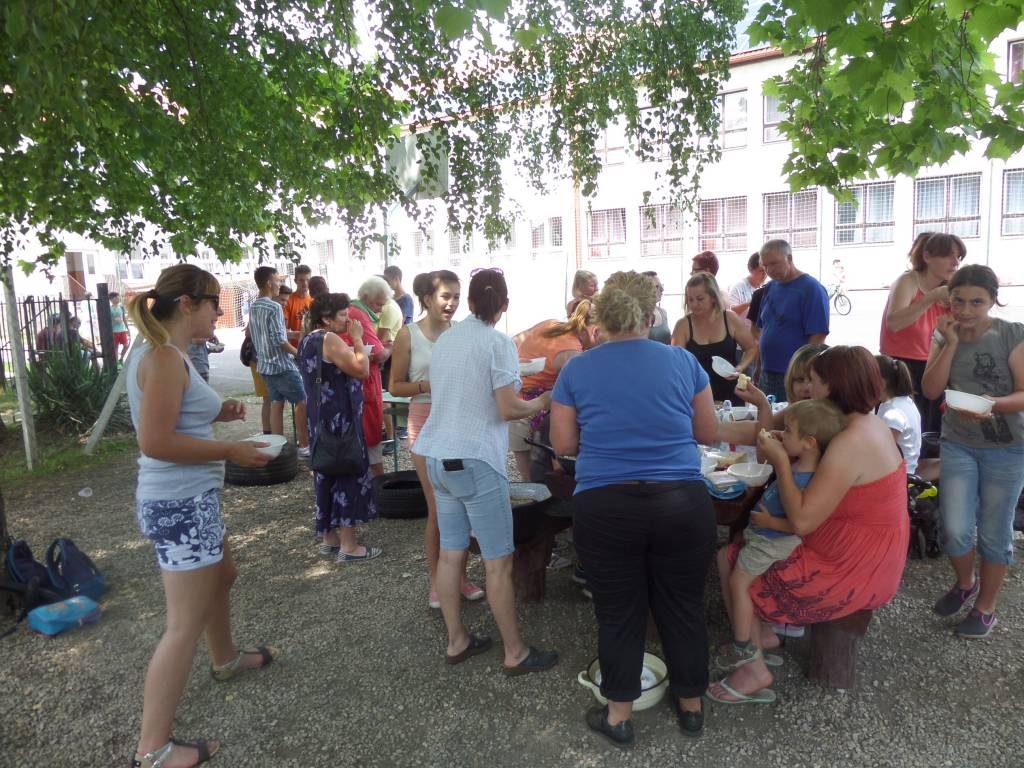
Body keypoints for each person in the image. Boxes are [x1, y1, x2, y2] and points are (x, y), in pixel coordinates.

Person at [549, 270, 717, 746]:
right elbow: (707, 432)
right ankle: (690, 705)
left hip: (605, 505)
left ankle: (619, 715)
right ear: (649, 315)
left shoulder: (577, 369)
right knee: (683, 605)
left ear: (601, 318)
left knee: (618, 610)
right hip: (681, 502)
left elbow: (563, 444)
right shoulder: (683, 361)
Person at [125, 264, 279, 768]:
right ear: (188, 304)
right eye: (215, 301)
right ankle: (154, 748)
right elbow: (155, 440)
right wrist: (231, 451)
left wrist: (218, 412)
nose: (220, 310)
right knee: (183, 625)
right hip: (180, 504)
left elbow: (173, 415)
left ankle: (226, 658)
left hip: (192, 500)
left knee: (224, 574)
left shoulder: (167, 353)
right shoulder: (164, 357)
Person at [710, 347, 908, 704]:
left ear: (833, 386)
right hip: (861, 548)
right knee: (739, 548)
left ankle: (754, 668)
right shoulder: (861, 421)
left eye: (813, 381)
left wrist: (781, 463)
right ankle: (760, 638)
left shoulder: (851, 440)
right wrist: (708, 428)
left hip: (853, 565)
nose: (807, 388)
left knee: (731, 560)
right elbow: (769, 428)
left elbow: (801, 521)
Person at [413, 268, 558, 675]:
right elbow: (509, 408)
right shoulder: (498, 343)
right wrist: (542, 400)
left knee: (450, 554)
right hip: (476, 460)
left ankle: (456, 640)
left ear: (470, 301)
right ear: (504, 305)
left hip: (437, 456)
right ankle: (515, 652)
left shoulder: (446, 339)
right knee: (498, 562)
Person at [922, 264, 1024, 638]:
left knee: (995, 532)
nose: (965, 310)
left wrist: (990, 404)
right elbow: (931, 390)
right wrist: (949, 343)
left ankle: (986, 607)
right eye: (958, 301)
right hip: (959, 443)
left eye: (976, 302)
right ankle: (965, 582)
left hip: (1007, 447)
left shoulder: (1011, 334)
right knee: (954, 528)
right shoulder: (943, 334)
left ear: (993, 300)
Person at [714, 399, 844, 672]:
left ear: (809, 443)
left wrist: (769, 521)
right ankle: (763, 637)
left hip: (772, 542)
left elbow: (799, 526)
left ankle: (743, 646)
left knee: (738, 582)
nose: (782, 434)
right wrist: (780, 442)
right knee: (736, 565)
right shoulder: (800, 464)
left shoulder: (807, 479)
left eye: (788, 431)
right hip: (764, 536)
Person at [388, 270, 483, 607]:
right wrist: (428, 385)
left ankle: (460, 577)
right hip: (425, 418)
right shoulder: (408, 335)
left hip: (457, 419)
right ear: (427, 299)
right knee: (438, 508)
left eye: (456, 297)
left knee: (463, 504)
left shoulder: (460, 333)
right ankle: (438, 582)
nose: (452, 303)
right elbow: (394, 386)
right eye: (445, 296)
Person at [297, 292, 382, 562]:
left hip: (320, 419)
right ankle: (349, 545)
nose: (348, 320)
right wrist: (357, 340)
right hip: (340, 419)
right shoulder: (329, 339)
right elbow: (361, 370)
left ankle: (329, 537)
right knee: (348, 472)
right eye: (343, 315)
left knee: (326, 473)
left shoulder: (307, 339)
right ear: (326, 318)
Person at [880, 233, 964, 433]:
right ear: (927, 257)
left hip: (934, 365)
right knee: (901, 429)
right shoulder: (908, 281)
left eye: (959, 257)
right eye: (948, 256)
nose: (955, 263)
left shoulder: (950, 289)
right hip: (902, 367)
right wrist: (931, 297)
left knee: (930, 429)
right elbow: (894, 323)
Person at [509, 299, 596, 480]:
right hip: (534, 412)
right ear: (594, 329)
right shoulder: (572, 353)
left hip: (516, 402)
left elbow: (513, 341)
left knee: (526, 478)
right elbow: (581, 395)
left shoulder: (552, 324)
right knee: (543, 475)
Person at [755, 239, 829, 401]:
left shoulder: (811, 288)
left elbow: (818, 336)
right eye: (765, 266)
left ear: (789, 258)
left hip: (793, 376)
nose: (769, 270)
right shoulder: (770, 287)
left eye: (774, 263)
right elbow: (763, 330)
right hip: (767, 373)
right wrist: (758, 367)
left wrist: (803, 376)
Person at [249, 266, 310, 457]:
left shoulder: (254, 306)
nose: (279, 284)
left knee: (277, 402)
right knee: (302, 401)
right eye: (277, 280)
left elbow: (264, 334)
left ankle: (279, 446)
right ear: (269, 283)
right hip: (282, 365)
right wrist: (299, 353)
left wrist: (295, 334)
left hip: (264, 365)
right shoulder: (274, 307)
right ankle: (304, 446)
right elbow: (278, 340)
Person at [671, 272, 756, 402]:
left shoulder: (730, 318)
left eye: (700, 299)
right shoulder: (683, 325)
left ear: (713, 298)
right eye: (690, 299)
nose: (694, 304)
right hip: (696, 393)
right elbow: (676, 363)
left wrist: (740, 367)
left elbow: (751, 348)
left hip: (730, 391)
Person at [347, 276, 393, 476]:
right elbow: (379, 353)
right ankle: (378, 484)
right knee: (371, 436)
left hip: (356, 381)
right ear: (366, 297)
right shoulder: (358, 315)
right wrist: (391, 347)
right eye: (378, 304)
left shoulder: (353, 310)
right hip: (364, 383)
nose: (380, 310)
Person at [874, 355, 923, 476]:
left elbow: (883, 456)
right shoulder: (904, 401)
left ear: (881, 382)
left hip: (901, 476)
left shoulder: (893, 414)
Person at [726, 252, 767, 324]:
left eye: (766, 270)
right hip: (742, 330)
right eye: (761, 271)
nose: (765, 275)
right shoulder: (738, 287)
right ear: (750, 269)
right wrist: (752, 302)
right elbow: (731, 312)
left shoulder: (767, 286)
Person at [283, 264, 313, 339]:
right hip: (294, 345)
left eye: (308, 280)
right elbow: (284, 330)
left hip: (312, 343)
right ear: (295, 281)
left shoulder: (313, 300)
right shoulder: (288, 301)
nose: (305, 283)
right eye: (301, 280)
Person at [641, 271, 671, 344]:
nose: (662, 289)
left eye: (661, 286)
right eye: (657, 286)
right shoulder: (637, 314)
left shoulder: (663, 312)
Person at [109, 292, 131, 361]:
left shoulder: (121, 307)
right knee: (116, 347)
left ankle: (121, 358)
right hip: (114, 331)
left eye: (118, 297)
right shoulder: (109, 309)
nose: (118, 298)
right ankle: (116, 362)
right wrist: (114, 319)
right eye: (116, 297)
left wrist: (128, 329)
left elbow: (124, 318)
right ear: (111, 299)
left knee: (126, 345)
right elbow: (107, 320)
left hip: (122, 330)